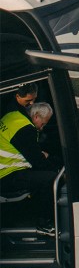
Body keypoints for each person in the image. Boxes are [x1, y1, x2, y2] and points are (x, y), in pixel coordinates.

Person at [0, 95, 58, 225]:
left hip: (4, 170)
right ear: (36, 116)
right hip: (6, 175)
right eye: (43, 124)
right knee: (50, 178)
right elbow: (37, 162)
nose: (41, 128)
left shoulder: (13, 116)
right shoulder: (25, 129)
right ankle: (44, 223)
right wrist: (56, 167)